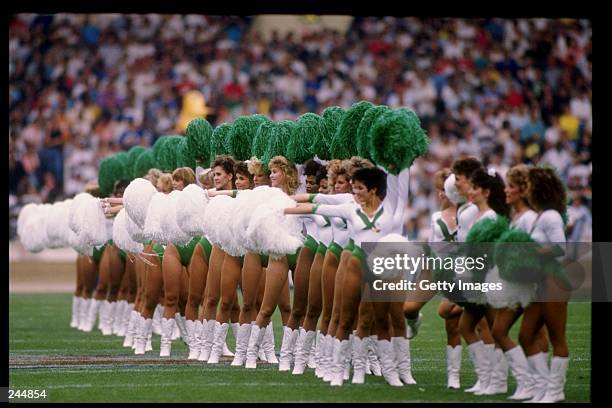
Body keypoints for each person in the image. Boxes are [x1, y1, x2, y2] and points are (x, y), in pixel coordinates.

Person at [518, 167, 569, 403]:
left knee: (557, 337)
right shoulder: (537, 216)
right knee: (526, 335)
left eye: (528, 185)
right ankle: (543, 387)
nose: (525, 189)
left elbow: (561, 247)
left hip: (554, 279)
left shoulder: (551, 215)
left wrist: (532, 252)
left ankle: (555, 390)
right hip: (539, 282)